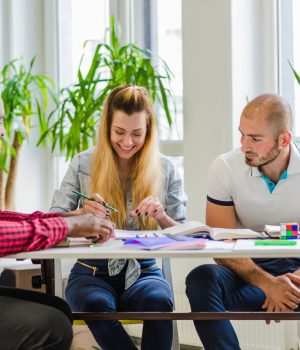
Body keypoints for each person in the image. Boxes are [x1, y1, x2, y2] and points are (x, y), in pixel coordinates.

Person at [50, 84, 186, 350]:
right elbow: (53, 219)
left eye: (137, 133)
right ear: (107, 128)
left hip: (144, 271)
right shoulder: (82, 164)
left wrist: (162, 217)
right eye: (119, 132)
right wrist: (81, 213)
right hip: (91, 273)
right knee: (96, 305)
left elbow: (184, 232)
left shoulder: (165, 169)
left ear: (148, 132)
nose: (127, 142)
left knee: (159, 302)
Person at [186, 93, 300, 350]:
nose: (244, 145)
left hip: (298, 270)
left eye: (255, 139)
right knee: (202, 279)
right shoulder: (225, 167)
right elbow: (222, 246)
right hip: (252, 269)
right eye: (242, 134)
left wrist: (289, 284)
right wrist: (269, 285)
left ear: (284, 139)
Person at [0, 97, 115, 350]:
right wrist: (69, 226)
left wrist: (68, 218)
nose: (3, 132)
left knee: (59, 309)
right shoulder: (82, 162)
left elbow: (5, 220)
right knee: (53, 324)